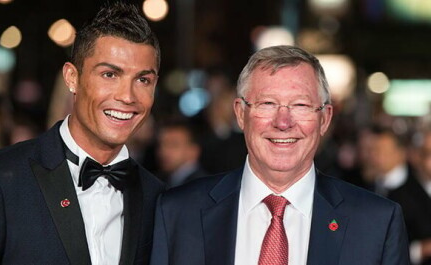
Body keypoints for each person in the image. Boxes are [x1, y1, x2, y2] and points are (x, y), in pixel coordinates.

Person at [150, 45, 410, 265]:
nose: (283, 122)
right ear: (240, 114)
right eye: (267, 103)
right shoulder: (176, 213)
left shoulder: (377, 223)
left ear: (325, 119)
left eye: (300, 105)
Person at [0, 3, 164, 265]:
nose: (127, 96)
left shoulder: (159, 198)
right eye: (109, 74)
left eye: (143, 80)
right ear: (72, 78)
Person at [388, 129, 431, 265]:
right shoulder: (399, 197)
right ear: (416, 156)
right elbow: (390, 248)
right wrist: (423, 249)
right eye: (428, 153)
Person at [156, 120, 208, 188]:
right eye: (160, 144)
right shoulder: (161, 179)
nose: (163, 151)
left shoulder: (201, 187)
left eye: (173, 144)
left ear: (194, 151)